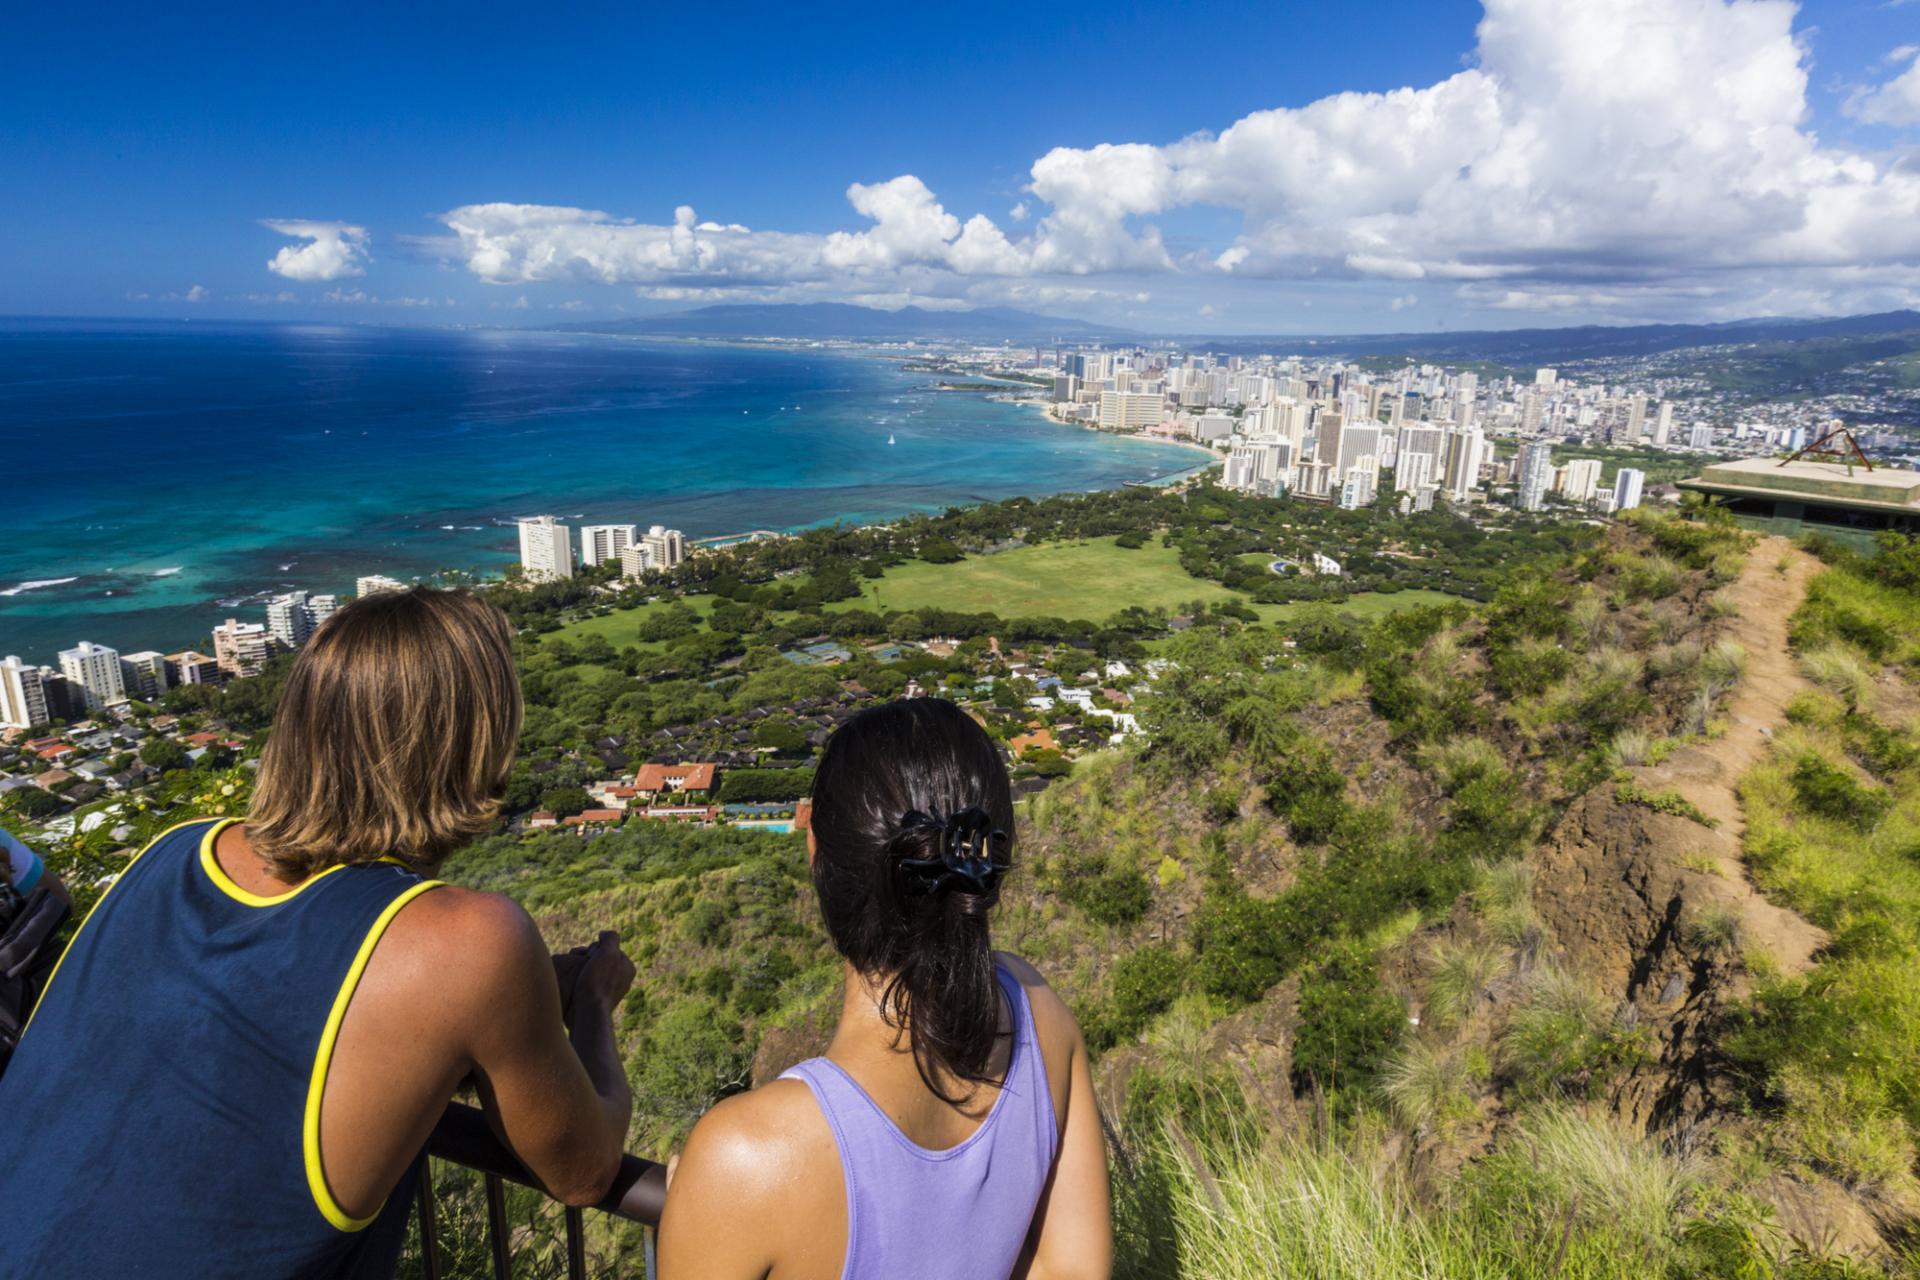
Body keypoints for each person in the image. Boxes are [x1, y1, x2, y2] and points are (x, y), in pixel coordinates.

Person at [0, 588, 637, 1279]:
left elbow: (251, 1050)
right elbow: (585, 1171)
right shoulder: (467, 941)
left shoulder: (171, 853)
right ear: (474, 742)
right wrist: (592, 1005)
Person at [659, 698, 1112, 1280]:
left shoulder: (746, 1159)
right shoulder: (1040, 1014)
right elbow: (1068, 1269)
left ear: (815, 855)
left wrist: (699, 1217)